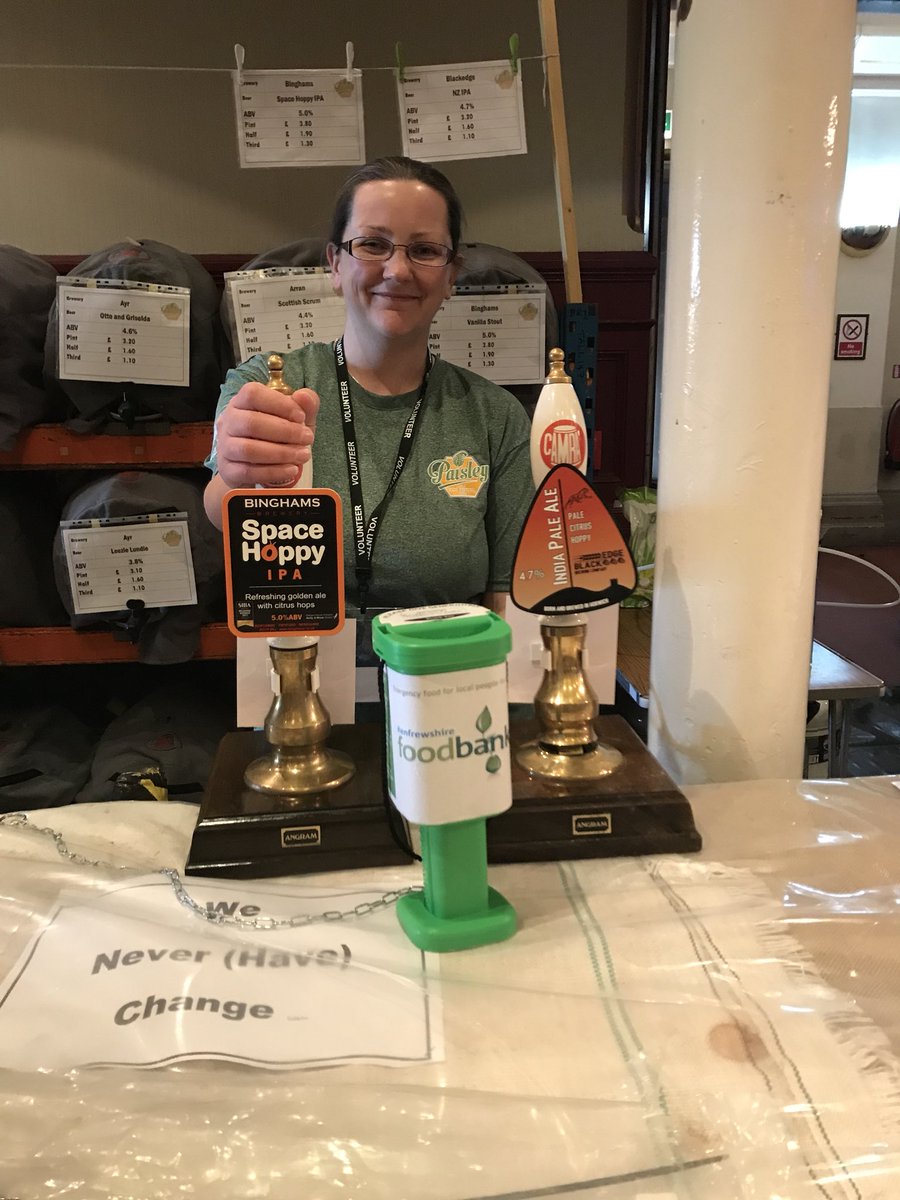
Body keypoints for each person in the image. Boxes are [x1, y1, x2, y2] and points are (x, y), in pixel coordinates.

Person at [203, 156, 534, 622]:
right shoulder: (268, 384)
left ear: (451, 276)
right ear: (335, 264)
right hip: (298, 662)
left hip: (442, 675)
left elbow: (509, 594)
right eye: (373, 244)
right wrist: (240, 474)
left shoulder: (494, 415)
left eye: (424, 250)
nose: (398, 270)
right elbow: (220, 509)